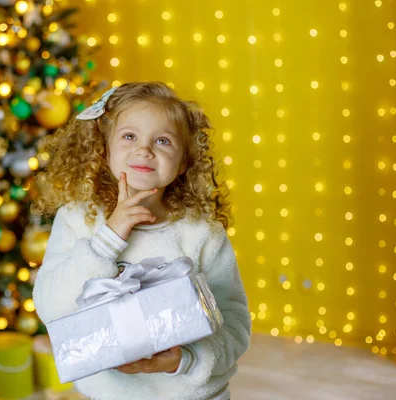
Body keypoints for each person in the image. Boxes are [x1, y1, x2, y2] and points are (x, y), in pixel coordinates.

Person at [32, 82, 251, 400]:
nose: (144, 150)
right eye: (129, 136)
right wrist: (108, 238)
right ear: (104, 149)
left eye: (163, 140)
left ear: (184, 161)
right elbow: (50, 307)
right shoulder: (79, 220)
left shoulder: (201, 233)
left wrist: (184, 359)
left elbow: (234, 324)